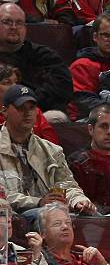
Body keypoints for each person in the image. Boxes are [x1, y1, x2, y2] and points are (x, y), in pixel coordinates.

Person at [0, 84, 96, 221]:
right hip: (12, 218)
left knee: (93, 217)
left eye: (31, 108)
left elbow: (68, 185)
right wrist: (38, 202)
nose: (27, 113)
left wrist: (78, 200)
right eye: (20, 108)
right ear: (4, 110)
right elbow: (2, 196)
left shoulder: (52, 150)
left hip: (51, 214)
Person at [0, 3, 73, 114]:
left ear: (25, 28)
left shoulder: (45, 56)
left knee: (55, 116)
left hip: (38, 112)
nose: (14, 27)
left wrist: (27, 103)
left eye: (19, 23)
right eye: (7, 22)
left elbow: (62, 89)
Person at [68, 104, 110, 214]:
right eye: (104, 126)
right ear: (91, 129)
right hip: (93, 222)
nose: (109, 131)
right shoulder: (76, 163)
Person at [69, 12, 110, 120]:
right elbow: (84, 101)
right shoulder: (82, 65)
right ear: (95, 36)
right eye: (106, 35)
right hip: (85, 118)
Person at [37, 202, 110, 265]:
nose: (65, 227)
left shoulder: (86, 261)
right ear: (43, 234)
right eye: (57, 223)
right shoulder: (40, 262)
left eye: (68, 223)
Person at [0, 62, 58, 144]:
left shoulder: (34, 111)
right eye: (7, 83)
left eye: (16, 82)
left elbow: (53, 145)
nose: (15, 87)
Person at [0, 196, 47, 265]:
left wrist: (37, 254)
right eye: (2, 215)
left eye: (9, 215)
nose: (9, 220)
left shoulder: (22, 251)